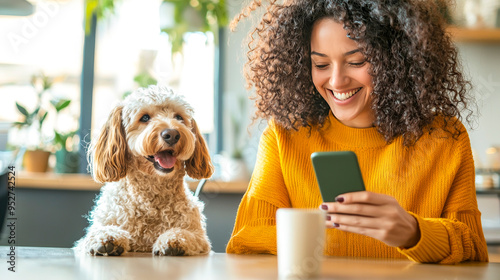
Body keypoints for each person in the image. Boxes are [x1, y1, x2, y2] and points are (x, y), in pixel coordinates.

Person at [225, 0, 489, 264]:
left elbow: (474, 251)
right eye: (321, 65)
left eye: (356, 61)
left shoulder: (444, 138)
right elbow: (245, 242)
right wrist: (317, 234)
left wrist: (414, 232)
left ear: (396, 59)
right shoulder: (284, 137)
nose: (337, 81)